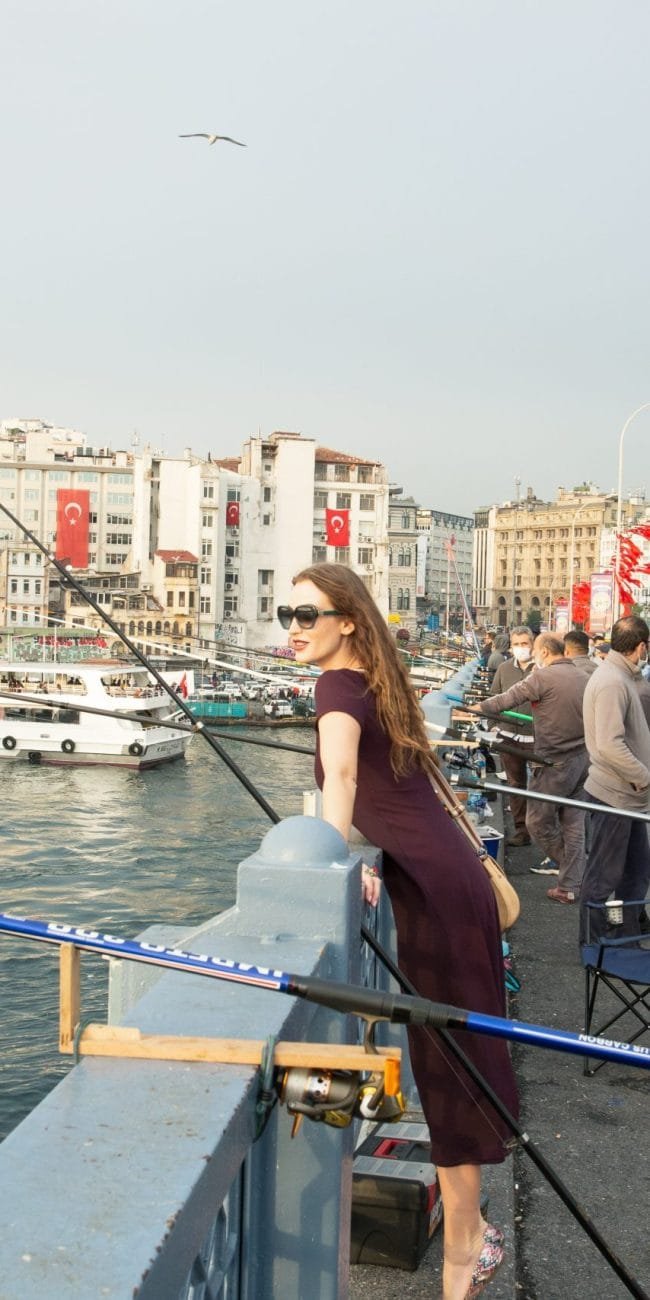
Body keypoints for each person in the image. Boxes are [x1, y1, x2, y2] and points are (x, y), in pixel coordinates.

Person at [278, 564, 517, 1300]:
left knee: (448, 1071)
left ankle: (466, 1245)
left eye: (307, 614)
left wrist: (326, 861)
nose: (293, 626)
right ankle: (469, 1234)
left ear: (346, 619)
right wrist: (359, 854)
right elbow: (405, 782)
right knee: (459, 1054)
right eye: (287, 612)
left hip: (434, 894)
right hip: (448, 878)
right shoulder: (379, 680)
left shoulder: (335, 689)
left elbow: (342, 780)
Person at [476, 634, 589, 904]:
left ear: (545, 652)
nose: (532, 654)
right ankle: (571, 884)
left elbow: (508, 699)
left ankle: (574, 870)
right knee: (574, 824)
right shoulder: (584, 676)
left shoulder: (543, 677)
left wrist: (477, 708)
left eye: (534, 650)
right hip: (582, 759)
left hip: (554, 762)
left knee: (536, 821)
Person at [579, 616, 650, 943]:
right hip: (615, 796)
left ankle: (626, 937)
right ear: (641, 646)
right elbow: (609, 744)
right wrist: (643, 777)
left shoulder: (621, 675)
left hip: (628, 798)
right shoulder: (612, 681)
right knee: (603, 878)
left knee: (636, 875)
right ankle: (594, 945)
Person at [487, 627, 535, 847]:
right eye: (517, 644)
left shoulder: (542, 669)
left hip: (537, 737)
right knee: (515, 784)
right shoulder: (504, 669)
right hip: (509, 735)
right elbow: (493, 698)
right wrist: (494, 725)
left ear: (533, 644)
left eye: (525, 643)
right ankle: (521, 831)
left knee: (542, 787)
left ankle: (543, 831)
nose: (521, 648)